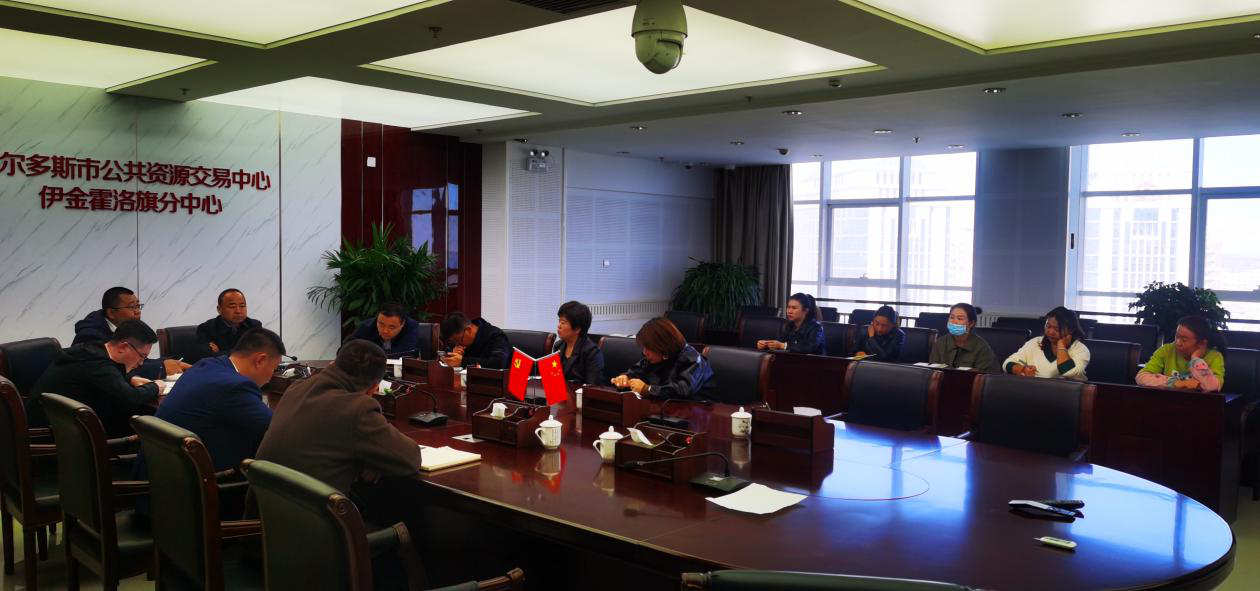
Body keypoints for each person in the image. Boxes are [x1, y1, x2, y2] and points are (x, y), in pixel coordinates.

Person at [145, 328, 284, 473]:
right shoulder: (234, 387)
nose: (271, 378)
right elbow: (276, 431)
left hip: (160, 468)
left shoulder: (206, 364)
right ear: (260, 360)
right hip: (194, 480)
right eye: (274, 369)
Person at [26, 319, 164, 437]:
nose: (141, 363)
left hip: (51, 424)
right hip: (54, 436)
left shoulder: (91, 350)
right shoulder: (99, 366)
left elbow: (104, 379)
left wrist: (130, 379)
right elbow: (130, 398)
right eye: (142, 356)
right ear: (123, 347)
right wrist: (156, 386)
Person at [72, 286, 183, 377]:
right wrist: (161, 368)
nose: (138, 312)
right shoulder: (90, 335)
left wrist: (165, 362)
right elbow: (115, 370)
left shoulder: (124, 330)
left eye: (138, 306)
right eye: (132, 307)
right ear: (111, 313)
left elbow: (137, 361)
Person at [612, 317, 715, 400]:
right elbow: (635, 373)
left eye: (648, 347)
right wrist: (625, 378)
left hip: (700, 413)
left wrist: (648, 389)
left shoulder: (693, 360)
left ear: (662, 345)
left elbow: (683, 390)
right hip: (664, 412)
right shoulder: (654, 358)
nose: (644, 352)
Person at [1137, 316, 1226, 392]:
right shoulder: (1167, 350)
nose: (1178, 343)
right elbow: (1141, 377)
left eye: (1184, 339)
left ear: (1201, 343)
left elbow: (1211, 386)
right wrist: (1177, 383)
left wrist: (1195, 359)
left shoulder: (1214, 356)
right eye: (1177, 336)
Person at [1004, 307, 1091, 380]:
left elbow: (1068, 372)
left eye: (1057, 329)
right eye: (1048, 326)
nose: (1051, 332)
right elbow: (1007, 363)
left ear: (1071, 330)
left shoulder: (1081, 350)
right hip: (1035, 391)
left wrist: (1061, 345)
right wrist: (1022, 369)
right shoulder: (1035, 342)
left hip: (1066, 393)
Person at [191, 288, 262, 363]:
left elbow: (262, 352)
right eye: (232, 307)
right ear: (219, 309)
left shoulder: (254, 326)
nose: (238, 311)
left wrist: (220, 353)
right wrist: (246, 351)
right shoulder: (206, 329)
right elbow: (208, 359)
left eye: (242, 306)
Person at [928, 303, 996, 371]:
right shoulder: (940, 342)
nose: (954, 322)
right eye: (951, 317)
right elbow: (932, 367)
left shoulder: (982, 348)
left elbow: (988, 374)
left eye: (960, 319)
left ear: (971, 323)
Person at [552, 301, 604, 384]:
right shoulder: (558, 346)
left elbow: (593, 386)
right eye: (559, 321)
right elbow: (553, 377)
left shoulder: (592, 352)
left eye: (563, 322)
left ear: (577, 329)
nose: (559, 326)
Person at [757, 293, 826, 355]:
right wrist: (766, 345)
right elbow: (780, 342)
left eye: (794, 308)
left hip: (813, 363)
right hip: (792, 361)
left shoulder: (816, 327)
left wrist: (783, 346)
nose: (789, 311)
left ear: (805, 310)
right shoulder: (790, 325)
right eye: (788, 307)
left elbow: (809, 348)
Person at [439, 312, 511, 369]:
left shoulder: (496, 336)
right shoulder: (459, 337)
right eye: (454, 342)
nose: (458, 344)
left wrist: (463, 361)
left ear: (468, 330)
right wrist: (452, 355)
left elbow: (499, 363)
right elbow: (446, 356)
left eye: (459, 341)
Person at [348, 303, 421, 358]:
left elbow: (404, 353)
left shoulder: (413, 328)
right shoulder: (367, 326)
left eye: (391, 327)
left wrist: (367, 355)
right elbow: (348, 348)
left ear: (403, 324)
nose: (385, 331)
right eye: (381, 325)